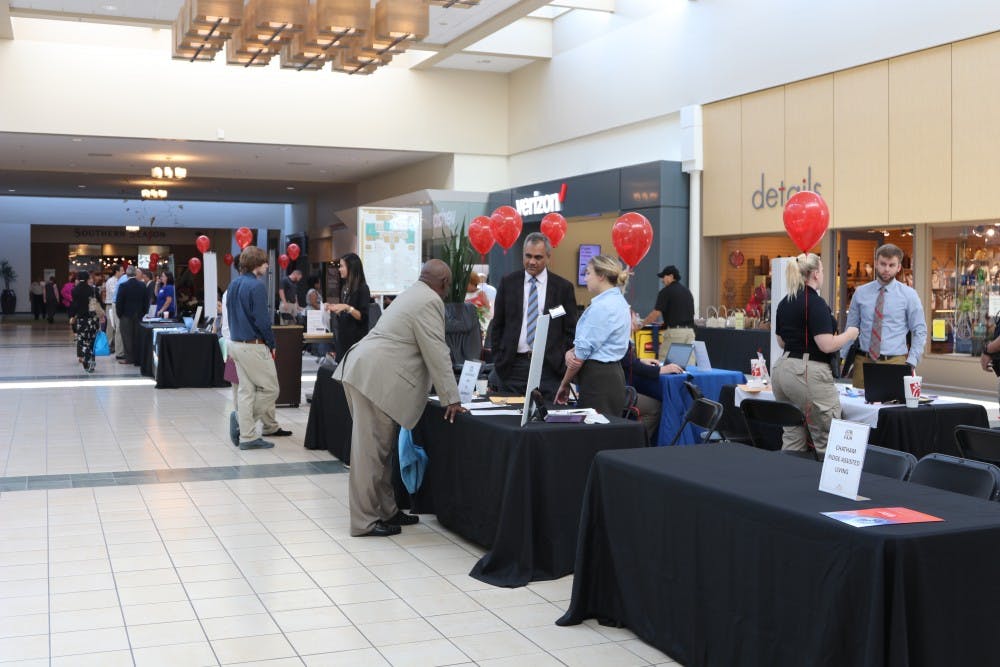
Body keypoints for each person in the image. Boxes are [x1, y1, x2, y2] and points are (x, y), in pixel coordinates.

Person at [334, 259, 463, 537]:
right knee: (370, 455)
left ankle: (387, 511)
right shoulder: (430, 300)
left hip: (368, 373)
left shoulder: (412, 293)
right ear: (443, 284)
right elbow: (436, 351)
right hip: (375, 379)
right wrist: (451, 398)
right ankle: (365, 522)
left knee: (381, 451)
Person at [773, 253, 859, 457]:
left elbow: (781, 341)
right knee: (829, 437)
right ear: (814, 274)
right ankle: (831, 486)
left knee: (793, 433)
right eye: (821, 270)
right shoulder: (815, 303)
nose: (823, 274)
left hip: (782, 369)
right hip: (807, 371)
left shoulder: (785, 301)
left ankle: (791, 481)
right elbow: (826, 345)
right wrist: (849, 334)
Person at [489, 232, 578, 398]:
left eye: (538, 257)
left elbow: (570, 329)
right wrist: (499, 358)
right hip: (512, 366)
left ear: (548, 257)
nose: (532, 261)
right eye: (528, 256)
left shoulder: (563, 288)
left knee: (546, 420)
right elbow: (497, 325)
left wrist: (561, 362)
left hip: (549, 369)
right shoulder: (508, 283)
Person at [226, 247, 293, 450]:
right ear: (257, 264)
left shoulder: (234, 284)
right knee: (271, 389)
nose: (267, 266)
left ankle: (247, 437)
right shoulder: (256, 287)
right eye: (265, 262)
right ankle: (241, 421)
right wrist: (272, 344)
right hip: (253, 346)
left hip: (235, 344)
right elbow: (263, 321)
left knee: (247, 391)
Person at [840, 244, 926, 388]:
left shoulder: (909, 295)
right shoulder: (860, 293)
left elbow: (920, 330)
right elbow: (851, 328)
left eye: (891, 265)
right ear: (876, 264)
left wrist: (912, 360)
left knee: (892, 407)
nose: (887, 269)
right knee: (860, 407)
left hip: (895, 362)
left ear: (898, 267)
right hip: (864, 361)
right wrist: (843, 358)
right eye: (883, 264)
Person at [556, 256, 632, 417]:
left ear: (601, 276)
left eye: (588, 273)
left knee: (593, 436)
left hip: (598, 380)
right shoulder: (619, 302)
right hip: (614, 375)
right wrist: (572, 351)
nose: (585, 278)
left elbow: (579, 356)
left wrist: (564, 383)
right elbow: (595, 342)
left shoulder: (601, 307)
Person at [620, 340, 686, 440]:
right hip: (619, 392)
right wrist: (660, 370)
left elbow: (626, 360)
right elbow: (628, 363)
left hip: (616, 388)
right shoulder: (619, 331)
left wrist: (639, 360)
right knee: (655, 408)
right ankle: (635, 443)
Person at [639, 265, 696, 362]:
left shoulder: (665, 292)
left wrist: (641, 324)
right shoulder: (687, 292)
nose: (662, 280)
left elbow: (656, 313)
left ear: (671, 276)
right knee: (687, 364)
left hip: (675, 334)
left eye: (663, 276)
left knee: (665, 362)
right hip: (690, 333)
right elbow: (686, 312)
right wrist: (666, 323)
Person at [326, 253, 370, 361]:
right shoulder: (345, 287)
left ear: (351, 267)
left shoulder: (362, 288)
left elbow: (362, 316)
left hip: (355, 340)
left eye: (342, 266)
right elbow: (344, 311)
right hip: (343, 338)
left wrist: (347, 307)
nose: (339, 269)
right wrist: (335, 308)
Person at [68, 271, 105, 373]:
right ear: (88, 278)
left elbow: (74, 305)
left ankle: (85, 359)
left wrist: (72, 316)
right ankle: (91, 361)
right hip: (93, 320)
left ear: (78, 278)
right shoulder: (93, 290)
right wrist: (102, 314)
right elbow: (100, 303)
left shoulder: (75, 290)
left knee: (83, 340)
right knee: (92, 341)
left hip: (82, 320)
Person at [115, 266, 147, 365]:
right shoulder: (142, 285)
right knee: (137, 337)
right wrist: (143, 313)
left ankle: (129, 358)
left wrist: (120, 314)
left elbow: (119, 302)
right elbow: (146, 301)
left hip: (126, 315)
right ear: (135, 274)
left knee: (126, 337)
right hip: (138, 315)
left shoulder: (123, 285)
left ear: (127, 274)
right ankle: (138, 358)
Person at [103, 264, 123, 355]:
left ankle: (115, 346)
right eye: (122, 271)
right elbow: (115, 292)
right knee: (110, 327)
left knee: (116, 326)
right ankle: (107, 346)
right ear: (117, 272)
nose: (123, 272)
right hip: (110, 305)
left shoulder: (120, 280)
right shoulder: (111, 281)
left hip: (117, 305)